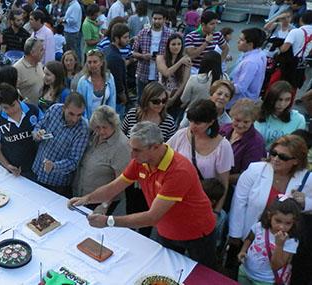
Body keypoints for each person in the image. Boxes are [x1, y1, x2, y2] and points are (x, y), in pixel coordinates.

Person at [69, 121, 217, 268]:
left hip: (197, 233)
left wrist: (109, 221)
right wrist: (86, 199)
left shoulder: (179, 171)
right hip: (167, 230)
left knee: (203, 276)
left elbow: (152, 217)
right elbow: (114, 187)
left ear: (156, 147)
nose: (132, 155)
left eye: (137, 150)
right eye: (131, 149)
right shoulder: (141, 160)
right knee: (167, 271)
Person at [228, 135, 312, 278]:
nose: (275, 158)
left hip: (281, 243)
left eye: (283, 157)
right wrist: (235, 235)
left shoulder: (307, 178)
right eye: (273, 153)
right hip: (251, 237)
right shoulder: (255, 170)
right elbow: (239, 202)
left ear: (296, 161)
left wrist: (305, 202)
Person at [168, 99, 234, 211]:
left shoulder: (223, 146)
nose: (192, 126)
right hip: (177, 199)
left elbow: (224, 184)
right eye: (190, 121)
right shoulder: (180, 135)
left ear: (211, 122)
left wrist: (216, 212)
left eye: (198, 123)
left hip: (202, 204)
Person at [72, 105, 130, 215]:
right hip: (80, 193)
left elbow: (119, 183)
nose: (101, 131)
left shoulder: (122, 147)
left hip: (99, 201)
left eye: (105, 127)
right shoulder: (94, 134)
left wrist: (104, 205)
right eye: (98, 127)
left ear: (114, 125)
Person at [32, 92, 90, 197]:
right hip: (37, 170)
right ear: (64, 108)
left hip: (57, 183)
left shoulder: (83, 129)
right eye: (71, 114)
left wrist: (54, 166)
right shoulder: (54, 109)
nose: (75, 119)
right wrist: (37, 134)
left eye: (79, 115)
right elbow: (38, 126)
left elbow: (73, 161)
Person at [237, 199, 301, 285]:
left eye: (288, 223)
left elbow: (276, 266)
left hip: (265, 281)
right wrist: (243, 251)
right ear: (269, 216)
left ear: (294, 223)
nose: (282, 227)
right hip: (245, 272)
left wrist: (279, 245)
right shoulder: (260, 227)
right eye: (278, 221)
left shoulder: (291, 241)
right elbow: (249, 238)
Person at [0, 83, 42, 180]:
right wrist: (6, 165)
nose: (11, 110)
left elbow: (45, 126)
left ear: (18, 99)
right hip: (13, 171)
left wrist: (40, 133)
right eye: (5, 108)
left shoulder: (33, 111)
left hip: (36, 167)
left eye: (13, 105)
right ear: (0, 105)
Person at [219, 98, 266, 188]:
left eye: (246, 122)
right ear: (232, 117)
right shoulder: (224, 129)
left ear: (253, 121)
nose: (240, 125)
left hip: (234, 187)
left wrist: (220, 179)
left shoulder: (256, 142)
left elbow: (246, 174)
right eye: (237, 120)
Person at [133, 8, 173, 101]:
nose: (156, 21)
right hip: (143, 73)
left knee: (158, 101)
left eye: (159, 19)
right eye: (155, 18)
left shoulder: (170, 34)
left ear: (165, 19)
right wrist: (143, 56)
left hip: (161, 76)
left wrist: (162, 58)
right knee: (141, 100)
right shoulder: (143, 33)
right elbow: (133, 52)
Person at [255, 81, 306, 149]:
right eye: (279, 100)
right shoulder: (257, 113)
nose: (282, 104)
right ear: (271, 98)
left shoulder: (299, 119)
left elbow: (297, 147)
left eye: (287, 100)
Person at [228, 28, 267, 109]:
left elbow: (240, 87)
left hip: (239, 103)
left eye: (241, 40)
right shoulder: (260, 53)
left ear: (250, 44)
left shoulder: (250, 62)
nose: (238, 42)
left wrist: (223, 84)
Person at [156, 34, 191, 121]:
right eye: (173, 44)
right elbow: (166, 73)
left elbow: (185, 81)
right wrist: (180, 62)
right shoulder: (160, 58)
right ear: (168, 45)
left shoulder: (187, 60)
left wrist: (173, 98)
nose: (176, 47)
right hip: (160, 94)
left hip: (176, 95)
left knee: (171, 120)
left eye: (179, 44)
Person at [76, 49, 116, 119]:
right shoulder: (82, 82)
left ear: (101, 63)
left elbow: (112, 102)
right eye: (89, 62)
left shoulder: (109, 78)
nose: (92, 65)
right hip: (89, 122)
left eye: (95, 62)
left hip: (105, 121)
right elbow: (80, 106)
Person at [278, 10, 312, 90]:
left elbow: (284, 48)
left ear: (301, 19)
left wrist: (279, 47)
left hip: (290, 63)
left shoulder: (295, 31)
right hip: (302, 64)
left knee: (282, 85)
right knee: (294, 86)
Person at [14, 37, 45, 104]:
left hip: (41, 108)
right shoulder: (17, 69)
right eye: (41, 50)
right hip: (28, 111)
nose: (44, 52)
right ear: (32, 52)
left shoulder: (39, 64)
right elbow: (12, 92)